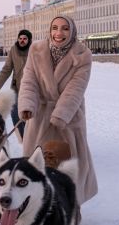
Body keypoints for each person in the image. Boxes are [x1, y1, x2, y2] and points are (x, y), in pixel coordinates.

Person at [18, 16, 97, 206]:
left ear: (72, 31)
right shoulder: (36, 50)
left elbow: (76, 89)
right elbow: (29, 81)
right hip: (39, 118)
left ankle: (71, 207)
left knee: (68, 167)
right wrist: (28, 104)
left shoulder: (82, 55)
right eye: (55, 28)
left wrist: (60, 114)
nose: (59, 33)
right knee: (36, 167)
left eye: (64, 29)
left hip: (68, 119)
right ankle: (37, 207)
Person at [0, 29, 32, 139]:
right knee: (15, 115)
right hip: (16, 88)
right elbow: (6, 69)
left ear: (29, 40)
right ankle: (23, 138)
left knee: (29, 116)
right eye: (20, 38)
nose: (22, 41)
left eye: (25, 39)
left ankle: (31, 138)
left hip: (31, 89)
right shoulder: (13, 50)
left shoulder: (34, 50)